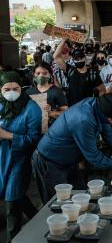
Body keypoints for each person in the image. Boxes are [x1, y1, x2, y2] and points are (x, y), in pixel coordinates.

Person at [32, 93, 112, 204]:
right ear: (108, 117)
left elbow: (110, 136)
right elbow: (92, 155)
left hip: (69, 160)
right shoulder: (84, 119)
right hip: (50, 160)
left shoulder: (98, 105)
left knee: (80, 198)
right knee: (59, 203)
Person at [0, 71, 42, 242]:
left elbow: (33, 139)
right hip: (2, 158)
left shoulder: (31, 109)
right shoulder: (1, 105)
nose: (11, 92)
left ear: (21, 88)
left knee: (11, 204)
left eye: (15, 88)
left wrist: (7, 135)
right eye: (6, 89)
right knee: (16, 195)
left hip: (19, 159)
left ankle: (14, 238)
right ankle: (38, 220)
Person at [54, 39, 105, 106]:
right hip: (72, 108)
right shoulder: (70, 70)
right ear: (73, 59)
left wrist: (98, 105)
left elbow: (102, 91)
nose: (79, 60)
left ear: (84, 58)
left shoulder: (93, 73)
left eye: (81, 58)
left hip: (87, 108)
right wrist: (64, 40)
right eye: (76, 59)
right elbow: (56, 57)